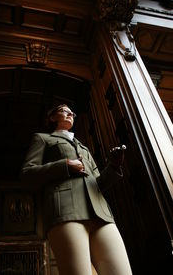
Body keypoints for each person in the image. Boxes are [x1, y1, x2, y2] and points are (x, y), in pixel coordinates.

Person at [21, 104, 133, 275]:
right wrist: (65, 165)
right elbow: (27, 174)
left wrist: (114, 166)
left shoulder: (84, 148)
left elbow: (98, 183)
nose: (69, 114)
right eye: (63, 111)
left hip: (100, 213)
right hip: (66, 211)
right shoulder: (43, 139)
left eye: (71, 112)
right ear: (52, 118)